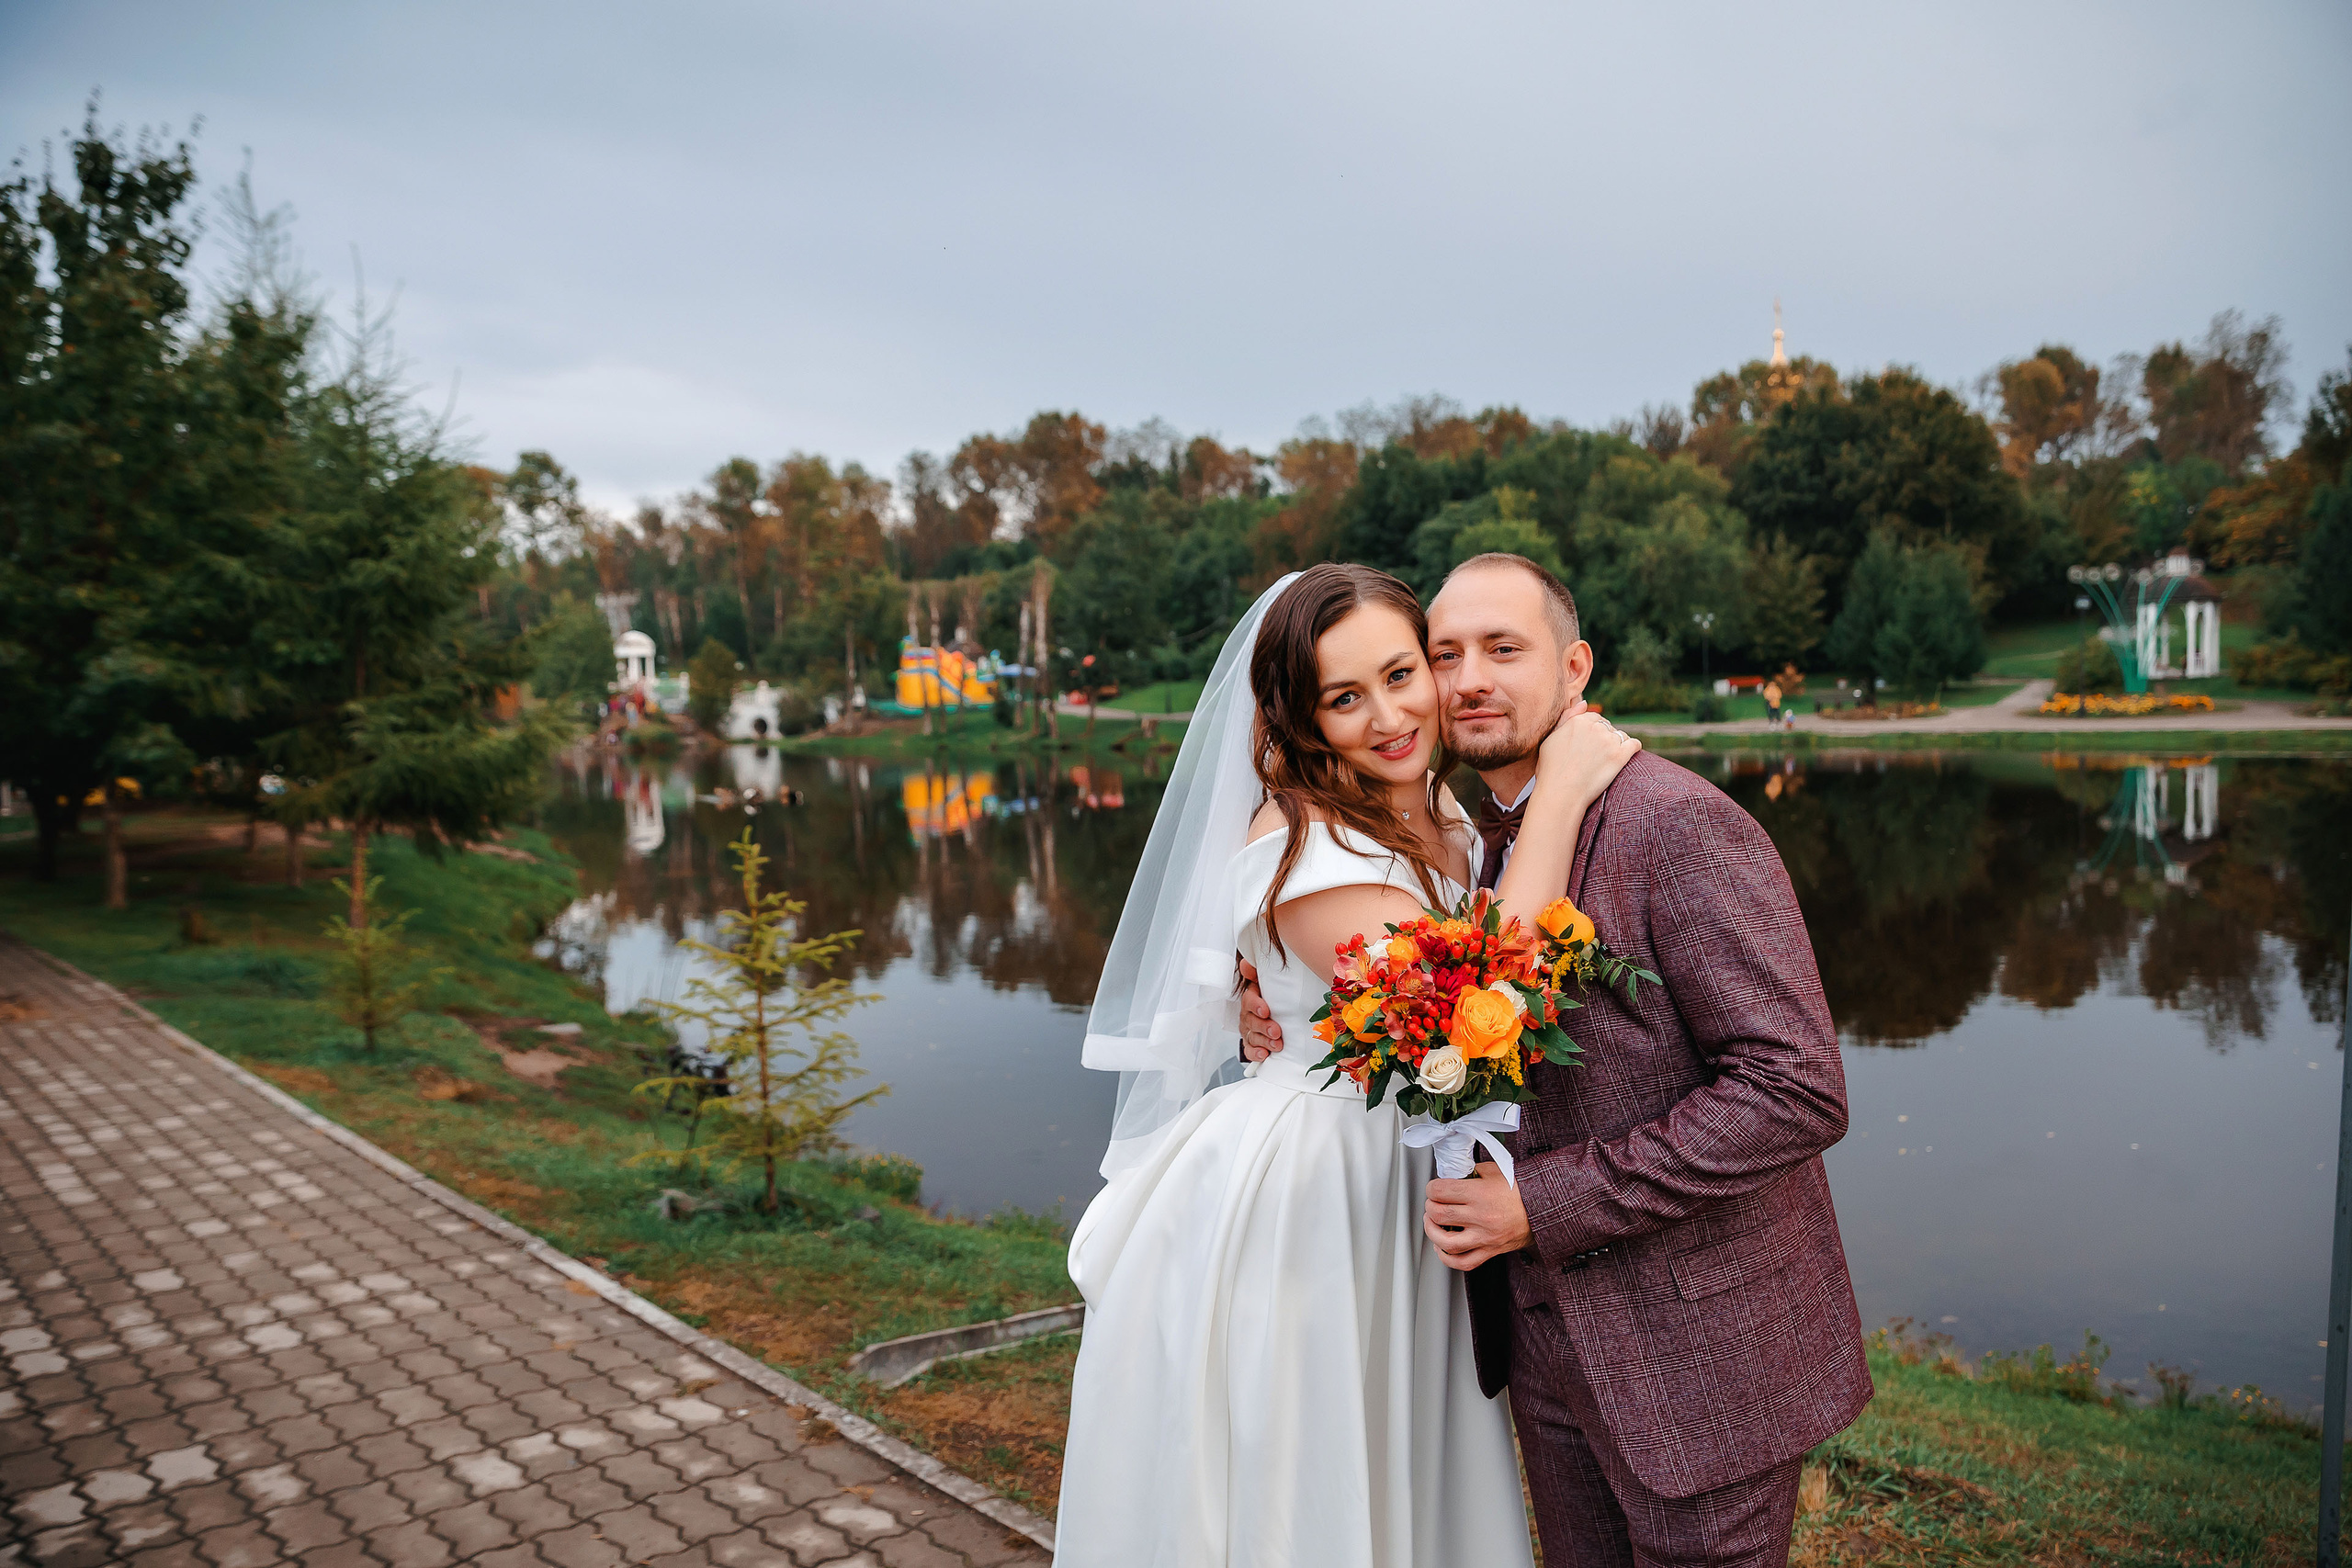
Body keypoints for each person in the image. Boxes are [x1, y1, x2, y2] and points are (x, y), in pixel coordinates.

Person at [1243, 555, 1870, 1568]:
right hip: (1534, 1342)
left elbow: (1793, 1090)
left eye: (1504, 649)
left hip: (1693, 1357)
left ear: (1575, 668)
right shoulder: (1456, 831)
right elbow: (1415, 985)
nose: (1469, 680)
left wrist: (1545, 1205)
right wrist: (1273, 989)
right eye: (1442, 656)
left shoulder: (1677, 823)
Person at [1056, 564, 1639, 1567]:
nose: (1388, 716)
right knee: (1312, 1465)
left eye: (1401, 674)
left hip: (1403, 1182)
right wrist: (1565, 794)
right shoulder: (1301, 841)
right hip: (1315, 1191)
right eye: (1343, 697)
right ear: (1302, 717)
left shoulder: (1439, 816)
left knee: (1403, 1457)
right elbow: (1464, 1017)